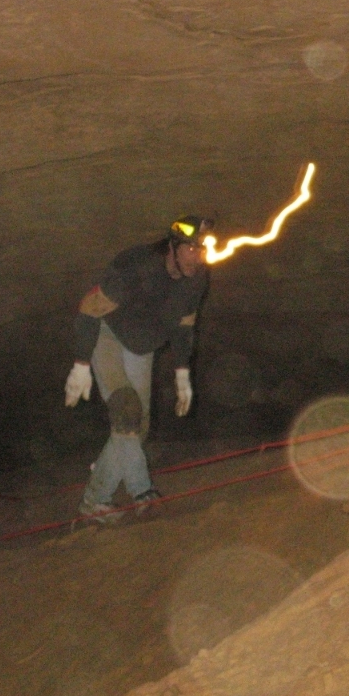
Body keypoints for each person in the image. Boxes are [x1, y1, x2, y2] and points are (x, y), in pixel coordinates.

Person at [64, 216, 212, 523]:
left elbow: (185, 326)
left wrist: (182, 373)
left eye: (202, 250)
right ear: (172, 246)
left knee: (136, 428)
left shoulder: (196, 278)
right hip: (108, 335)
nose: (197, 257)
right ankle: (137, 493)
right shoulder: (137, 266)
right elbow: (90, 307)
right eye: (190, 249)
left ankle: (102, 491)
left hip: (142, 346)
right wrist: (81, 365)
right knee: (126, 410)